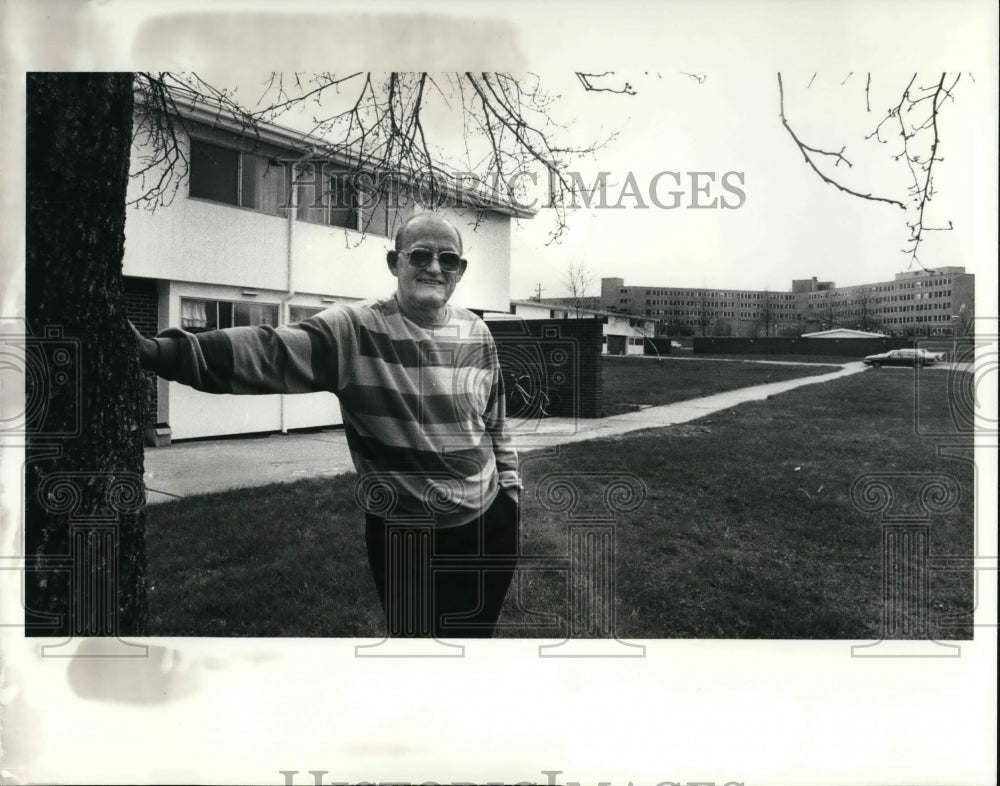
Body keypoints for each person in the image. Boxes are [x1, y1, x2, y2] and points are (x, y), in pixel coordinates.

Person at [133, 212, 520, 638]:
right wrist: (159, 353)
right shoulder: (355, 331)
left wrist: (510, 497)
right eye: (420, 255)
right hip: (406, 540)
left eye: (448, 259)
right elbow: (269, 352)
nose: (433, 267)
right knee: (418, 659)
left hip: (487, 527)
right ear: (395, 263)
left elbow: (495, 422)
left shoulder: (477, 332)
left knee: (473, 649)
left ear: (460, 271)